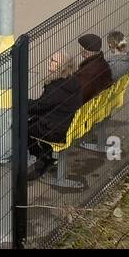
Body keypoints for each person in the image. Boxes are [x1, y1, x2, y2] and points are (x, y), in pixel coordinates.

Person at [26, 52, 82, 180]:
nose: (49, 62)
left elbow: (39, 106)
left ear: (62, 67)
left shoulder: (56, 88)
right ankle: (45, 154)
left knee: (22, 127)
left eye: (53, 61)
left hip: (55, 130)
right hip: (66, 124)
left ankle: (42, 157)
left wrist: (23, 102)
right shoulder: (72, 81)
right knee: (32, 120)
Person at [74, 33, 113, 101]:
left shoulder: (86, 73)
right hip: (100, 102)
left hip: (87, 107)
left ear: (84, 51)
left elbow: (79, 95)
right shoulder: (104, 64)